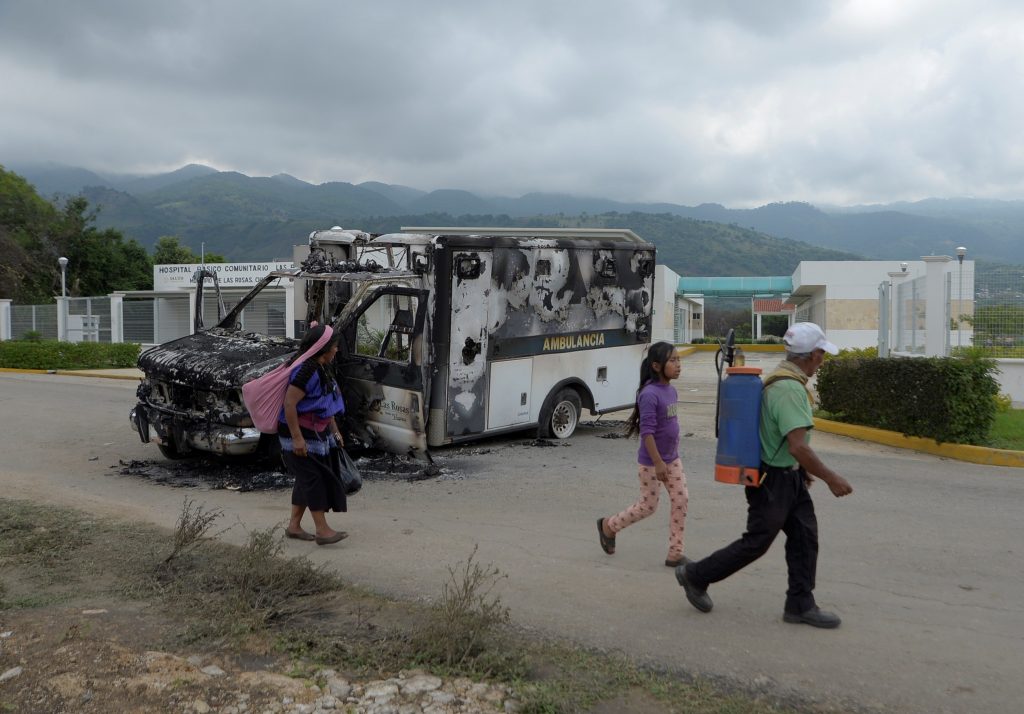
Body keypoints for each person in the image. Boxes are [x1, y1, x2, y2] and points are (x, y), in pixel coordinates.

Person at [676, 322, 853, 628]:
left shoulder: (783, 378)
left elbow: (787, 444)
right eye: (822, 354)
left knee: (804, 537)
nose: (823, 360)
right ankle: (695, 575)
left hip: (788, 476)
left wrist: (802, 472)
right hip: (774, 480)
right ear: (811, 355)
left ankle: (800, 605)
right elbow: (798, 446)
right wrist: (831, 478)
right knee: (757, 542)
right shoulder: (789, 389)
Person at [598, 341, 689, 567]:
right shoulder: (649, 394)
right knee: (648, 506)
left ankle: (675, 553)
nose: (678, 365)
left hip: (672, 459)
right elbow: (647, 432)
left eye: (679, 360)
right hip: (653, 462)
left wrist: (670, 455)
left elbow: (670, 424)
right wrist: (658, 462)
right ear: (657, 366)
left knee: (681, 499)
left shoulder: (671, 390)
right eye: (673, 360)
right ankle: (609, 526)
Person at [280, 323, 349, 546]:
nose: (336, 350)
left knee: (305, 479)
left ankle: (294, 526)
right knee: (314, 479)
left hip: (315, 432)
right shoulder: (307, 370)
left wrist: (335, 431)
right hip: (299, 433)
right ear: (323, 347)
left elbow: (324, 403)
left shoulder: (320, 366)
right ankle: (322, 530)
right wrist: (297, 438)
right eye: (335, 346)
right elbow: (290, 404)